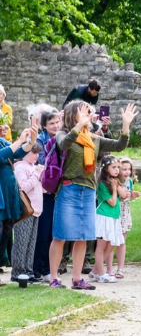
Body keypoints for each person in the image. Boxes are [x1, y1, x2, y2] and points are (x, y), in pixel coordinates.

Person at [47, 101, 138, 289]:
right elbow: (64, 145)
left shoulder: (94, 139)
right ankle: (54, 278)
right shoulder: (63, 134)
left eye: (90, 113)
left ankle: (77, 279)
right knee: (60, 236)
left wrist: (126, 124)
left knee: (83, 236)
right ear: (74, 115)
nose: (90, 116)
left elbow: (119, 145)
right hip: (69, 189)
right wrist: (79, 125)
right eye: (86, 113)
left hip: (88, 192)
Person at [0, 125, 37, 287]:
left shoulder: (1, 141)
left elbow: (18, 153)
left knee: (6, 231)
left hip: (8, 193)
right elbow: (2, 156)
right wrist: (20, 140)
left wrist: (30, 142)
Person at [11, 142, 44, 283]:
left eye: (37, 153)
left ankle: (28, 272)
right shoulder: (20, 167)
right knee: (21, 242)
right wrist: (37, 173)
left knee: (31, 243)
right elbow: (23, 187)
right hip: (25, 211)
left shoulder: (33, 167)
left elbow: (39, 188)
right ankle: (18, 272)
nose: (36, 156)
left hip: (35, 211)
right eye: (33, 152)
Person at [33, 111, 61, 280]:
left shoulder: (60, 138)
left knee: (52, 230)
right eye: (51, 123)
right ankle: (38, 268)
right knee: (43, 232)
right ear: (44, 126)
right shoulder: (41, 140)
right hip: (43, 191)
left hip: (55, 190)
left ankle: (47, 268)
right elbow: (43, 162)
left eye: (57, 122)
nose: (55, 126)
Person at [89, 156, 125, 284]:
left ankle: (94, 271)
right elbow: (112, 201)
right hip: (104, 216)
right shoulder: (103, 184)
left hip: (114, 217)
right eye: (113, 167)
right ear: (106, 169)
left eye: (118, 167)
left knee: (112, 244)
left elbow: (124, 195)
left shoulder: (115, 181)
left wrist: (118, 184)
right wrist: (115, 189)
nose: (117, 170)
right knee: (101, 246)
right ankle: (101, 273)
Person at [115, 158, 139, 278]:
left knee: (122, 241)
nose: (127, 172)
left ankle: (120, 268)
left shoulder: (129, 181)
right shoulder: (114, 181)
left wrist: (134, 196)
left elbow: (129, 197)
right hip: (114, 213)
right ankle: (105, 268)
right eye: (124, 169)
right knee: (110, 242)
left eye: (129, 169)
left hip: (124, 213)